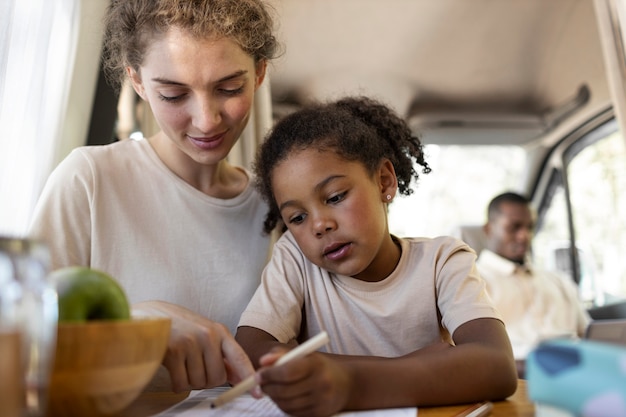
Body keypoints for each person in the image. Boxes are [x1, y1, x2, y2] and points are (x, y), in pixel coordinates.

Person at [28, 0, 280, 392]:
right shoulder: (90, 180)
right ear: (139, 81)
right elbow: (17, 342)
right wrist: (131, 326)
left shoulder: (275, 205)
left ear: (260, 73)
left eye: (229, 88)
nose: (206, 119)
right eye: (175, 95)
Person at [234, 96, 518, 417]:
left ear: (384, 180)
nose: (319, 225)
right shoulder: (296, 258)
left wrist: (350, 384)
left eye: (335, 196)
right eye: (297, 218)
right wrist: (426, 364)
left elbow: (498, 365)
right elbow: (251, 351)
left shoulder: (442, 260)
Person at [476, 191, 590, 378]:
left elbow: (587, 334)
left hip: (582, 375)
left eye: (530, 228)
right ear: (489, 229)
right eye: (514, 227)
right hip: (519, 382)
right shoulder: (474, 282)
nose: (524, 236)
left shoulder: (558, 281)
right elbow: (476, 356)